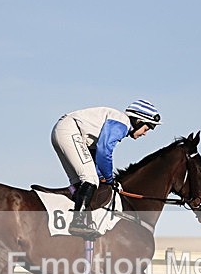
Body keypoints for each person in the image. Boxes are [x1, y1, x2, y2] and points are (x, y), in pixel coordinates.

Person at [51, 99, 161, 238]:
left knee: (81, 182)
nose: (145, 133)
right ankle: (77, 223)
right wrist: (109, 179)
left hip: (63, 131)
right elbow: (104, 151)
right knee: (90, 179)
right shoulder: (122, 123)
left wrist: (103, 177)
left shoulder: (118, 122)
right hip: (69, 131)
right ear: (138, 121)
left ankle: (75, 220)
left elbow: (96, 156)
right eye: (147, 128)